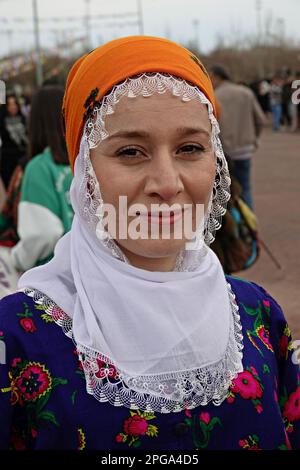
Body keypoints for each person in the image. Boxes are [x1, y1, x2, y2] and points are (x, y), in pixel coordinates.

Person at [0, 36, 299, 451]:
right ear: (84, 170)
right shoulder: (16, 338)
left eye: (190, 148)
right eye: (130, 152)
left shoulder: (257, 315)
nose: (167, 184)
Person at [0, 86, 73, 297]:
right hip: (91, 270)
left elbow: (43, 233)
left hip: (53, 279)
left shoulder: (38, 167)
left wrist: (17, 259)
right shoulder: (86, 159)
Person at [210, 65, 266, 209]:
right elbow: (260, 119)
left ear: (216, 77)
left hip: (223, 151)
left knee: (225, 192)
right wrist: (255, 140)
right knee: (245, 188)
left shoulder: (214, 95)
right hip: (245, 149)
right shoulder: (246, 92)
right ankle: (249, 222)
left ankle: (234, 224)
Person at [0, 94, 27, 189]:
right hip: (8, 160)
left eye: (15, 103)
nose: (13, 106)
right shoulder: (2, 121)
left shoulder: (24, 119)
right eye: (10, 104)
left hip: (24, 157)